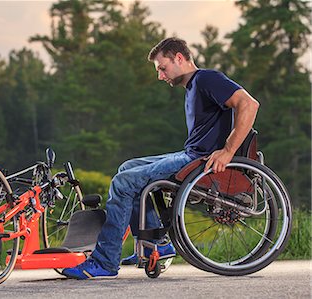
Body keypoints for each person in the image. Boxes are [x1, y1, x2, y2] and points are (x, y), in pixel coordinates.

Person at [62, 37, 260, 279]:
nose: (160, 76)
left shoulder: (207, 78)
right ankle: (155, 244)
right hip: (191, 154)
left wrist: (228, 151)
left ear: (179, 58)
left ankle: (105, 261)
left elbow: (248, 104)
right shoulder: (193, 86)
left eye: (162, 68)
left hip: (200, 160)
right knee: (127, 168)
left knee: (123, 183)